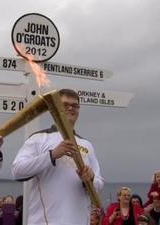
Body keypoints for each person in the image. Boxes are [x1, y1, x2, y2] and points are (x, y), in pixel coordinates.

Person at [12, 89, 105, 225]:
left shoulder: (87, 145)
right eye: (65, 104)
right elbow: (17, 171)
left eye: (75, 105)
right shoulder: (39, 139)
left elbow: (99, 183)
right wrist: (52, 155)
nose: (70, 108)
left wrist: (90, 179)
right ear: (54, 108)